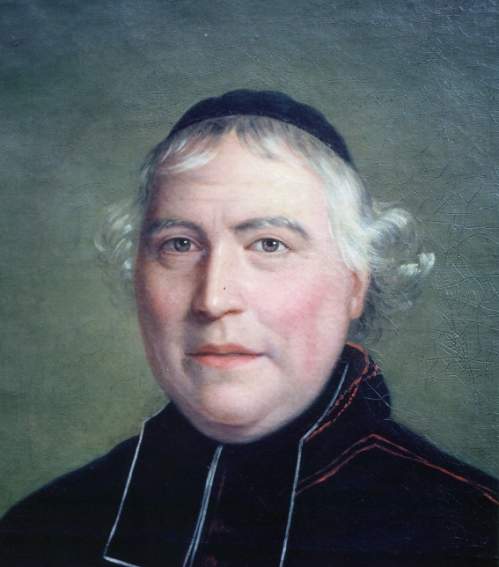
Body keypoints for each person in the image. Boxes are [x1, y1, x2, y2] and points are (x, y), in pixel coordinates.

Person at [1, 90, 497, 566]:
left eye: (269, 244)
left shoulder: (475, 532)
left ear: (353, 284)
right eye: (179, 244)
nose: (213, 299)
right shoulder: (38, 532)